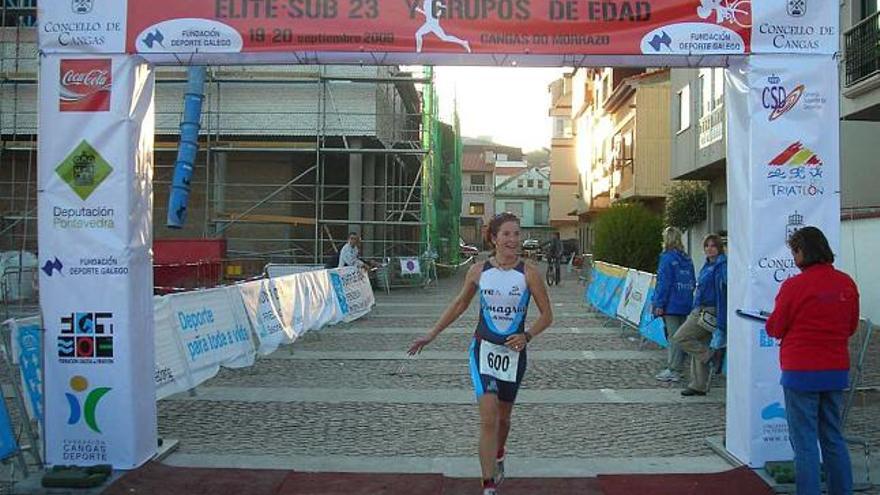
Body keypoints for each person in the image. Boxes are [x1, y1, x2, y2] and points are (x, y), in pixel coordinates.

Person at [407, 212, 553, 495]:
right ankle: (488, 486)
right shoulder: (478, 271)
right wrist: (432, 333)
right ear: (494, 238)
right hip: (483, 351)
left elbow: (547, 315)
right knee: (488, 418)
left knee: (504, 419)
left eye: (516, 233)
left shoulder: (529, 273)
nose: (513, 239)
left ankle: (499, 452)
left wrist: (527, 336)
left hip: (513, 356)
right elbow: (460, 304)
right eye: (507, 234)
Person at [766, 226, 859, 495]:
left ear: (803, 251)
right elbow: (851, 325)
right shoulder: (846, 283)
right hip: (835, 370)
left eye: (795, 251)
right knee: (833, 437)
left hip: (801, 371)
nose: (794, 257)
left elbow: (775, 327)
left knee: (805, 442)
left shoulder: (794, 286)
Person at [672, 233, 727, 397]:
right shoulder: (708, 265)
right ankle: (699, 385)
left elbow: (726, 288)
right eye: (707, 246)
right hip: (701, 308)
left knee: (681, 337)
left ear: (719, 248)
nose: (709, 249)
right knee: (700, 341)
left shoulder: (722, 266)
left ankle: (711, 357)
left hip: (710, 310)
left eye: (713, 246)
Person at [652, 227, 696, 383]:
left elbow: (664, 283)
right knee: (682, 336)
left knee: (674, 337)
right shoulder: (687, 259)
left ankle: (674, 369)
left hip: (671, 304)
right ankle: (679, 367)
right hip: (685, 302)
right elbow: (691, 280)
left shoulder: (667, 258)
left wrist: (659, 303)